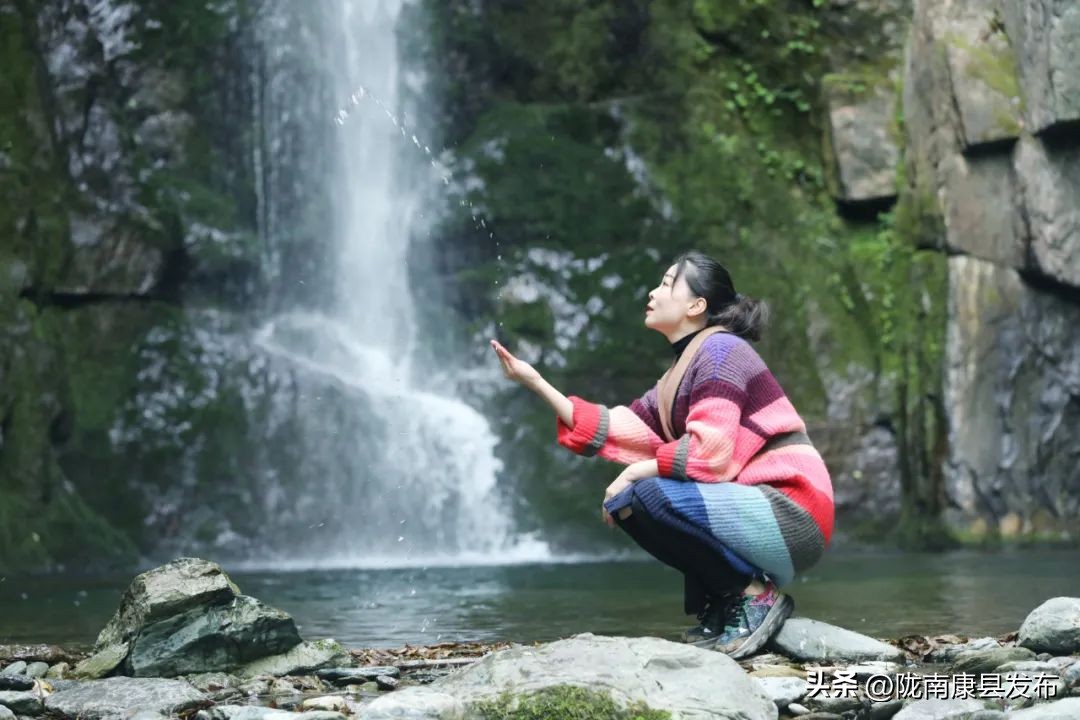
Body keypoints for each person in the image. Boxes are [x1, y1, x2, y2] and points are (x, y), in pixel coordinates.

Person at [490, 251, 834, 658]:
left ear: (696, 305)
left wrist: (636, 471)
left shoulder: (722, 352)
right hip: (758, 511)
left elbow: (711, 455)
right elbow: (620, 428)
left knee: (648, 494)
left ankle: (753, 597)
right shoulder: (679, 372)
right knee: (629, 503)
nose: (653, 292)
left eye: (668, 284)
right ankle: (728, 603)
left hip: (793, 510)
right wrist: (536, 382)